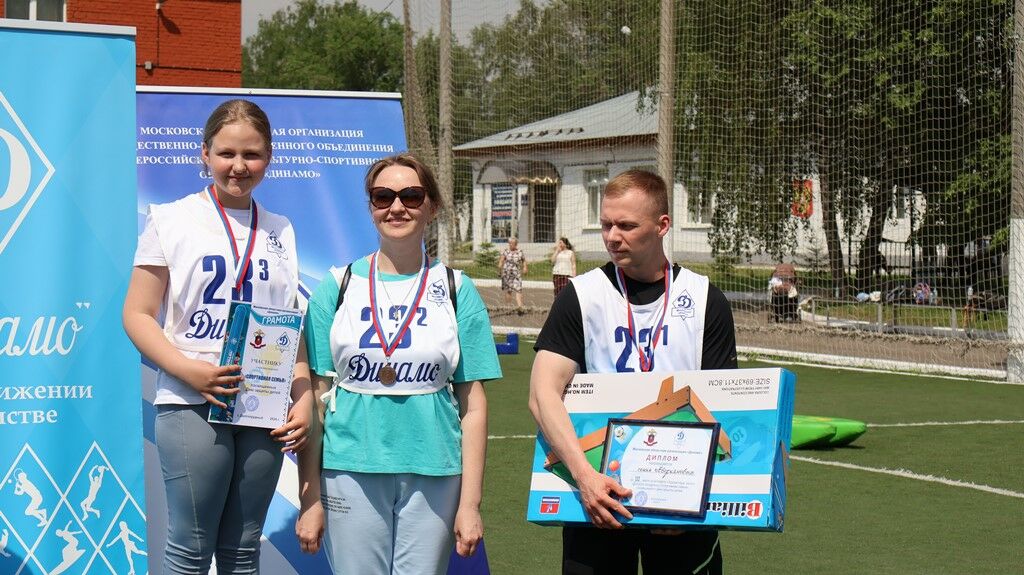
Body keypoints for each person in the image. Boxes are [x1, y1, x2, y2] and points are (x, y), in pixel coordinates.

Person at [122, 99, 313, 574]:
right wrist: (189, 371)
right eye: (227, 153)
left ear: (269, 157)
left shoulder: (281, 229)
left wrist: (304, 395)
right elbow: (137, 314)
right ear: (205, 153)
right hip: (193, 399)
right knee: (190, 549)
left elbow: (288, 323)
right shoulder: (171, 219)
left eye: (252, 154)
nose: (238, 166)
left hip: (264, 403)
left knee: (244, 550)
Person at [295, 153, 501, 574]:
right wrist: (310, 497)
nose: (396, 207)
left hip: (435, 469)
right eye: (382, 196)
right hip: (349, 466)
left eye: (411, 195)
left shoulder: (456, 289)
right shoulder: (337, 286)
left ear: (432, 206)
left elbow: (474, 406)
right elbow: (315, 398)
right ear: (371, 206)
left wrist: (471, 504)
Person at [528, 169, 736, 575]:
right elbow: (542, 394)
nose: (612, 236)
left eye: (626, 225)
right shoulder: (581, 296)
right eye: (606, 224)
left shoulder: (705, 299)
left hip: (682, 500)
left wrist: (689, 495)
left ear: (662, 225)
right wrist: (585, 478)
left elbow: (722, 407)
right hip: (597, 495)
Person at [498, 236, 528, 311]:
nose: (510, 244)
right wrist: (499, 270)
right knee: (509, 290)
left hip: (516, 274)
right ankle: (508, 307)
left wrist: (525, 267)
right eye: (510, 243)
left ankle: (520, 307)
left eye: (512, 243)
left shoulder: (520, 252)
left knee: (519, 289)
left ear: (516, 244)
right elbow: (501, 261)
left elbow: (524, 260)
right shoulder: (506, 251)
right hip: (507, 274)